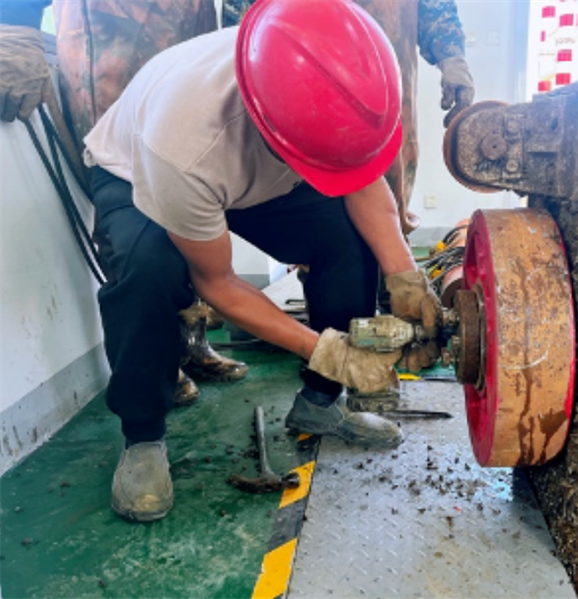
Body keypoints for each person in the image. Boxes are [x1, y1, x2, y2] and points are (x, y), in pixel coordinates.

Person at [78, 0, 442, 522]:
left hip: (269, 158)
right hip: (139, 172)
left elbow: (362, 184)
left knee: (349, 239)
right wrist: (327, 350)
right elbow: (218, 282)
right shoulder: (183, 145)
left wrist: (406, 278)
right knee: (148, 272)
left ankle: (321, 404)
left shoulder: (348, 79)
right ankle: (142, 438)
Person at [0, 0, 248, 407]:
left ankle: (191, 342)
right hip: (108, 44)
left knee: (195, 208)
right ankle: (156, 364)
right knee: (134, 223)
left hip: (188, 38)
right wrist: (17, 26)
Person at [225, 0, 475, 238]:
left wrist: (452, 59)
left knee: (386, 204)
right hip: (297, 84)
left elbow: (435, 8)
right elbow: (242, 21)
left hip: (384, 92)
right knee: (314, 211)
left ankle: (384, 259)